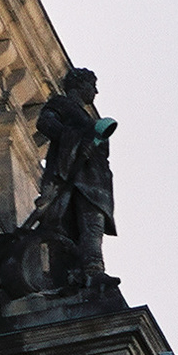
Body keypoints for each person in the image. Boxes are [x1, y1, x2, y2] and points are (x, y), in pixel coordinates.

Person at [32, 67, 116, 284]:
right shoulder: (62, 104)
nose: (95, 91)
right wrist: (77, 143)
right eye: (92, 85)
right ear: (80, 84)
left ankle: (93, 269)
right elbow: (45, 123)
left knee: (93, 225)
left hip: (92, 180)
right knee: (63, 225)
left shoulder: (89, 119)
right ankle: (70, 272)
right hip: (70, 174)